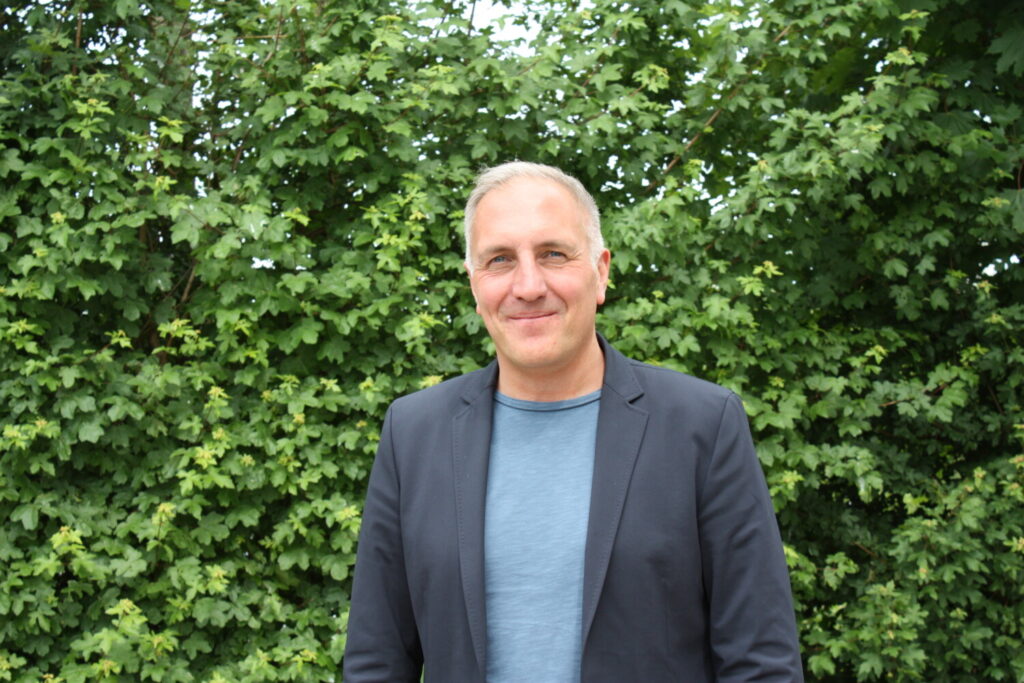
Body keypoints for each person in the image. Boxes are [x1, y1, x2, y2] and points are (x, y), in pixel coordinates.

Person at [343, 161, 804, 682]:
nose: (528, 285)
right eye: (499, 260)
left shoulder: (702, 426)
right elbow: (377, 663)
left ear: (601, 272)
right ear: (474, 284)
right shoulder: (413, 434)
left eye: (553, 254)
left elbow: (761, 663)